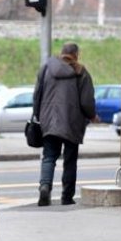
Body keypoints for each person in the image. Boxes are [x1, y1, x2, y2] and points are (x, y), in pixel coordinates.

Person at [33, 42, 98, 207]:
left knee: (49, 157)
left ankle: (45, 187)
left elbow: (37, 95)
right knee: (70, 160)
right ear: (76, 55)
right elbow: (86, 101)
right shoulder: (80, 72)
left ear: (61, 53)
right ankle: (66, 197)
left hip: (48, 120)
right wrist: (92, 115)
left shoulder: (46, 68)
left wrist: (37, 115)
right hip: (72, 121)